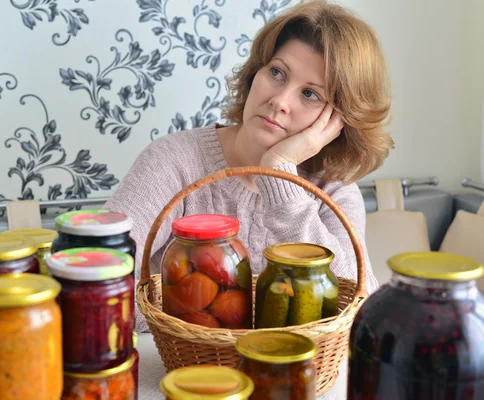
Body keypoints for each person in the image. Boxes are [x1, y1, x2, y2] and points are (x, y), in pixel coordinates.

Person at [104, 0, 393, 331]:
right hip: (179, 369)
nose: (280, 101)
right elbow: (97, 283)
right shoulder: (173, 160)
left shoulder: (332, 189)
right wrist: (194, 317)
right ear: (255, 71)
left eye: (311, 94)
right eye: (276, 73)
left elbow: (358, 310)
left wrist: (280, 169)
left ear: (338, 119)